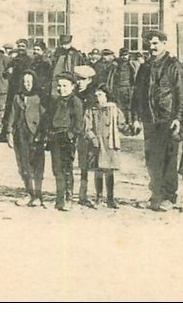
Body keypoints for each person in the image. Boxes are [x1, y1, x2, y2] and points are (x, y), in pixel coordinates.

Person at [132, 29, 183, 212]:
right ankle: (156, 194)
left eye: (156, 43)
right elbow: (137, 94)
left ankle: (169, 197)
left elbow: (181, 94)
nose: (152, 46)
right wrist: (135, 117)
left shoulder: (174, 66)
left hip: (168, 119)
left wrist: (178, 118)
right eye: (149, 43)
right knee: (152, 159)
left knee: (168, 158)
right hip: (150, 119)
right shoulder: (145, 67)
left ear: (164, 44)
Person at [5, 70, 46, 207]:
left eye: (29, 82)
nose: (26, 84)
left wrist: (43, 134)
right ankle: (29, 192)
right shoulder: (17, 97)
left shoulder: (39, 97)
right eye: (24, 82)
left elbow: (44, 117)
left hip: (35, 134)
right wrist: (9, 132)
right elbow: (12, 114)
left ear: (34, 82)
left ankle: (38, 195)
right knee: (23, 164)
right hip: (20, 133)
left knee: (37, 165)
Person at [43, 72, 83, 211]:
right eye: (59, 86)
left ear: (72, 87)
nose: (61, 88)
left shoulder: (75, 102)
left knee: (66, 169)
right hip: (55, 137)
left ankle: (68, 198)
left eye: (65, 86)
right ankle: (59, 197)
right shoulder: (55, 101)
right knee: (57, 168)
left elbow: (78, 124)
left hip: (67, 138)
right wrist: (48, 133)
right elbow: (49, 119)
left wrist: (70, 136)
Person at [83, 84, 124, 209]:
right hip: (97, 144)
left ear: (106, 96)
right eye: (96, 95)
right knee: (98, 171)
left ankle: (110, 198)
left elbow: (121, 124)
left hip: (110, 144)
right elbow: (87, 127)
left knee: (109, 170)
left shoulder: (114, 109)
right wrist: (93, 138)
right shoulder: (91, 110)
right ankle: (99, 198)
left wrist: (131, 128)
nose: (98, 98)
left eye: (100, 95)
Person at [73, 65, 97, 206]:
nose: (79, 82)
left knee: (85, 164)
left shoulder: (92, 96)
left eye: (82, 79)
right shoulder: (73, 93)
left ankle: (84, 193)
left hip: (85, 133)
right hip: (73, 132)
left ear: (89, 80)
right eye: (77, 79)